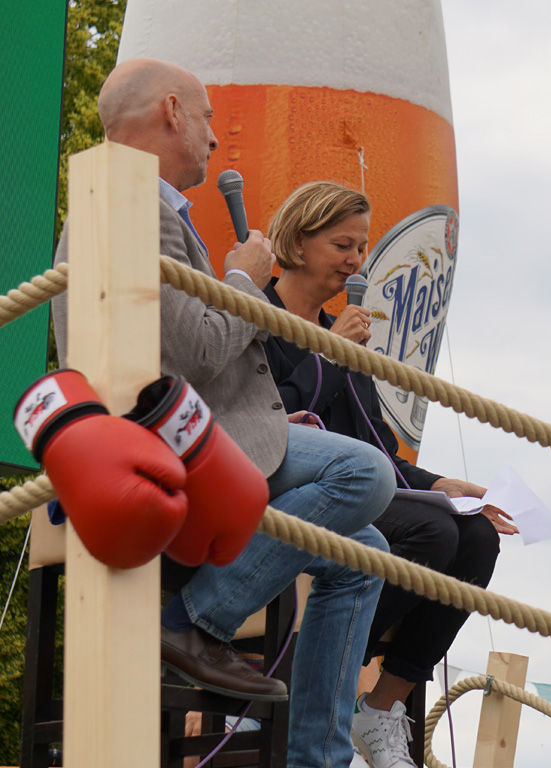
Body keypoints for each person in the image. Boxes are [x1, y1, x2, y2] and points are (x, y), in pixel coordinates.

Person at [51, 58, 395, 768]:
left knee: (368, 556)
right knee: (367, 473)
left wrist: (268, 419)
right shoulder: (133, 207)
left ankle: (316, 759)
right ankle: (194, 622)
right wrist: (244, 277)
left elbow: (192, 357)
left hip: (196, 429)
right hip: (166, 442)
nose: (215, 142)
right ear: (173, 112)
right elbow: (203, 350)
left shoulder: (138, 208)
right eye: (208, 120)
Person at [260, 180, 517, 768]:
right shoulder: (258, 316)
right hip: (289, 491)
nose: (355, 262)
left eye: (362, 248)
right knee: (434, 534)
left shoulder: (346, 341)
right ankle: (312, 675)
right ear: (298, 243)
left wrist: (437, 485)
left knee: (474, 534)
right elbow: (264, 420)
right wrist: (325, 352)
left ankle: (379, 709)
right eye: (342, 245)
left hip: (361, 485)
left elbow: (374, 445)